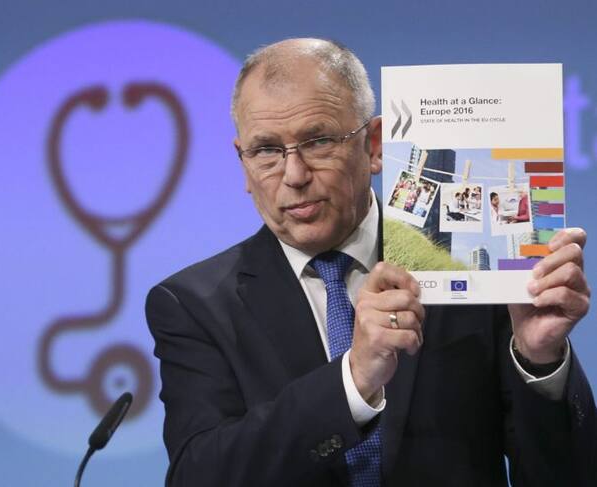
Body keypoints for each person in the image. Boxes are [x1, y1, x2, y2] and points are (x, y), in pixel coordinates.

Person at [146, 38, 596, 486]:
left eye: (318, 141)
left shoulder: (470, 267)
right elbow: (198, 476)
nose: (294, 175)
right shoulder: (193, 306)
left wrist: (540, 361)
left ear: (375, 145)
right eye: (266, 150)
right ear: (244, 163)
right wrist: (353, 381)